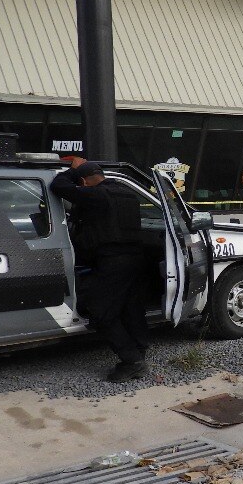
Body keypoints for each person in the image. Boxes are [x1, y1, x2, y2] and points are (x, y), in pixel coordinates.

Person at [52, 159, 151, 382]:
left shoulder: (95, 195)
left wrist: (72, 170)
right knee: (131, 308)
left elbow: (58, 186)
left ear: (85, 182)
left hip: (113, 262)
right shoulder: (127, 194)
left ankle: (132, 361)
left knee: (99, 310)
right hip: (136, 259)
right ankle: (139, 350)